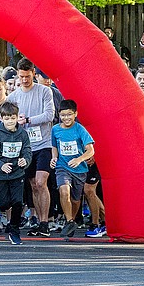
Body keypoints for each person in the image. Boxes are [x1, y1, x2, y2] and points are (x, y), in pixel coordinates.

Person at [7, 58, 55, 237]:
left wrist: (28, 120)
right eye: (21, 77)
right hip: (25, 147)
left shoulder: (44, 91)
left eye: (27, 76)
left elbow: (50, 115)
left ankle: (45, 221)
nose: (24, 80)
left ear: (34, 73)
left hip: (44, 143)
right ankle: (39, 219)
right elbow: (7, 118)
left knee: (42, 182)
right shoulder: (13, 96)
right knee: (34, 184)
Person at [0, 101, 32, 245]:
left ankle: (14, 229)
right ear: (2, 118)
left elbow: (27, 150)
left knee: (18, 202)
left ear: (17, 117)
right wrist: (1, 165)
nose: (10, 121)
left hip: (17, 173)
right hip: (0, 175)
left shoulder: (22, 133)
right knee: (3, 203)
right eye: (7, 118)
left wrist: (25, 160)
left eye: (13, 118)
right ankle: (3, 217)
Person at [49, 99, 95, 239]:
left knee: (75, 200)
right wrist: (54, 158)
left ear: (75, 114)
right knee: (64, 191)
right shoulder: (55, 129)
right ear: (59, 115)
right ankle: (69, 221)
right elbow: (54, 147)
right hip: (62, 167)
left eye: (69, 115)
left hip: (79, 170)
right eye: (63, 115)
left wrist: (79, 159)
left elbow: (90, 150)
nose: (66, 118)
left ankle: (72, 222)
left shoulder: (80, 129)